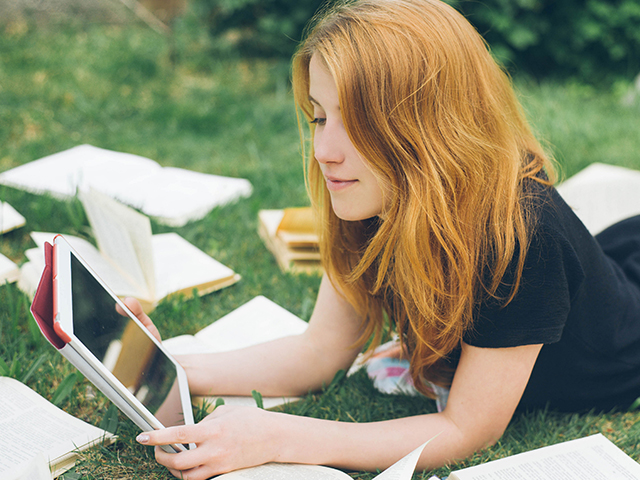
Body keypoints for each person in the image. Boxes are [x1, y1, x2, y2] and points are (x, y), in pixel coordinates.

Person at [130, 0, 640, 478]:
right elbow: (320, 351)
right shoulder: (371, 197)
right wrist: (181, 368)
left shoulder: (524, 233)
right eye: (320, 117)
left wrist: (280, 436)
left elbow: (468, 429)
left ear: (431, 126)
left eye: (354, 123)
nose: (324, 151)